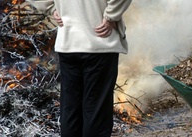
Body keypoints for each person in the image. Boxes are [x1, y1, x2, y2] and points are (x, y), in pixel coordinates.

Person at [26, 0, 132, 136]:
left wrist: (51, 8)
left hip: (68, 44)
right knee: (96, 111)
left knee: (70, 109)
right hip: (99, 44)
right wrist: (110, 16)